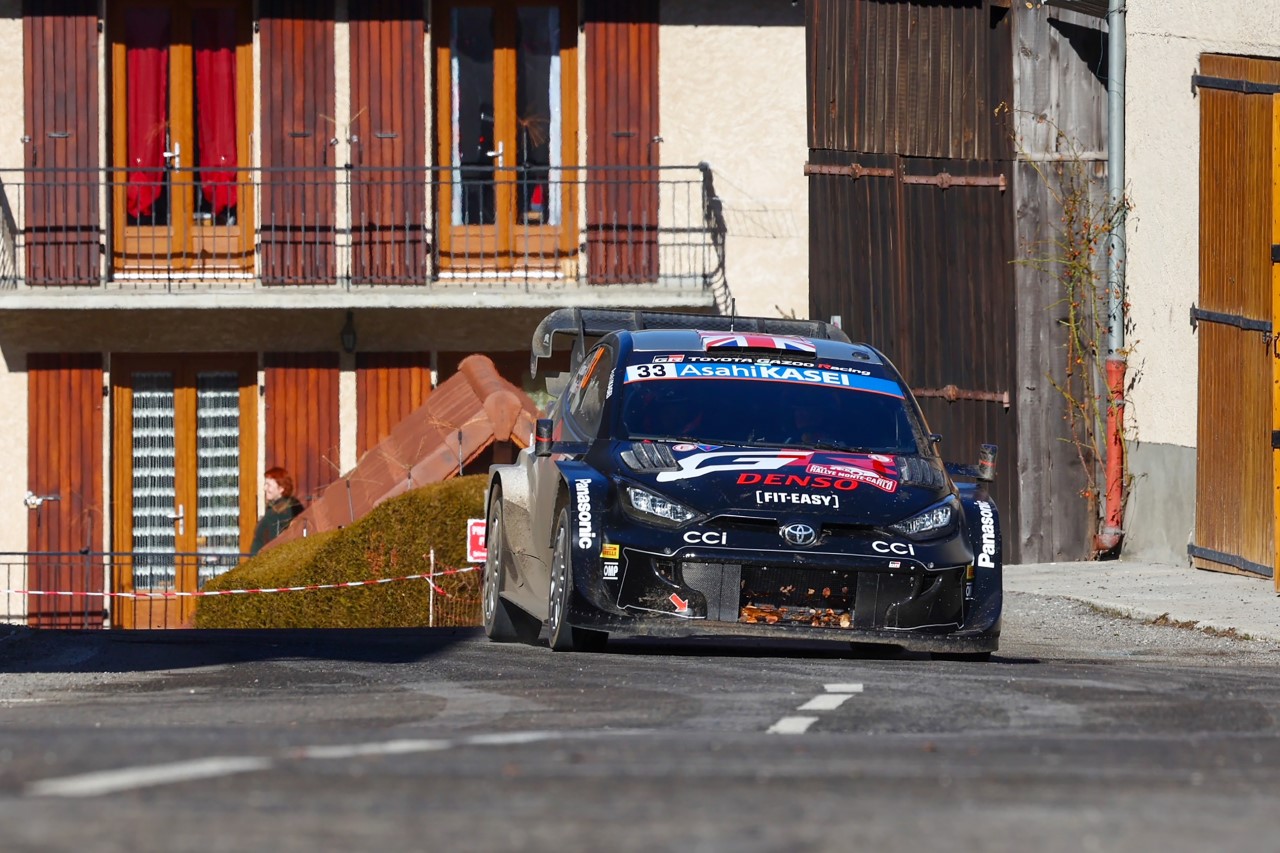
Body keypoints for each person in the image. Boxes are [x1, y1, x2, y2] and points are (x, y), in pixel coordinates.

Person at [250, 466, 305, 556]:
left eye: (268, 485)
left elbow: (274, 542)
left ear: (281, 488)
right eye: (265, 484)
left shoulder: (280, 512)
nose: (264, 488)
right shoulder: (280, 508)